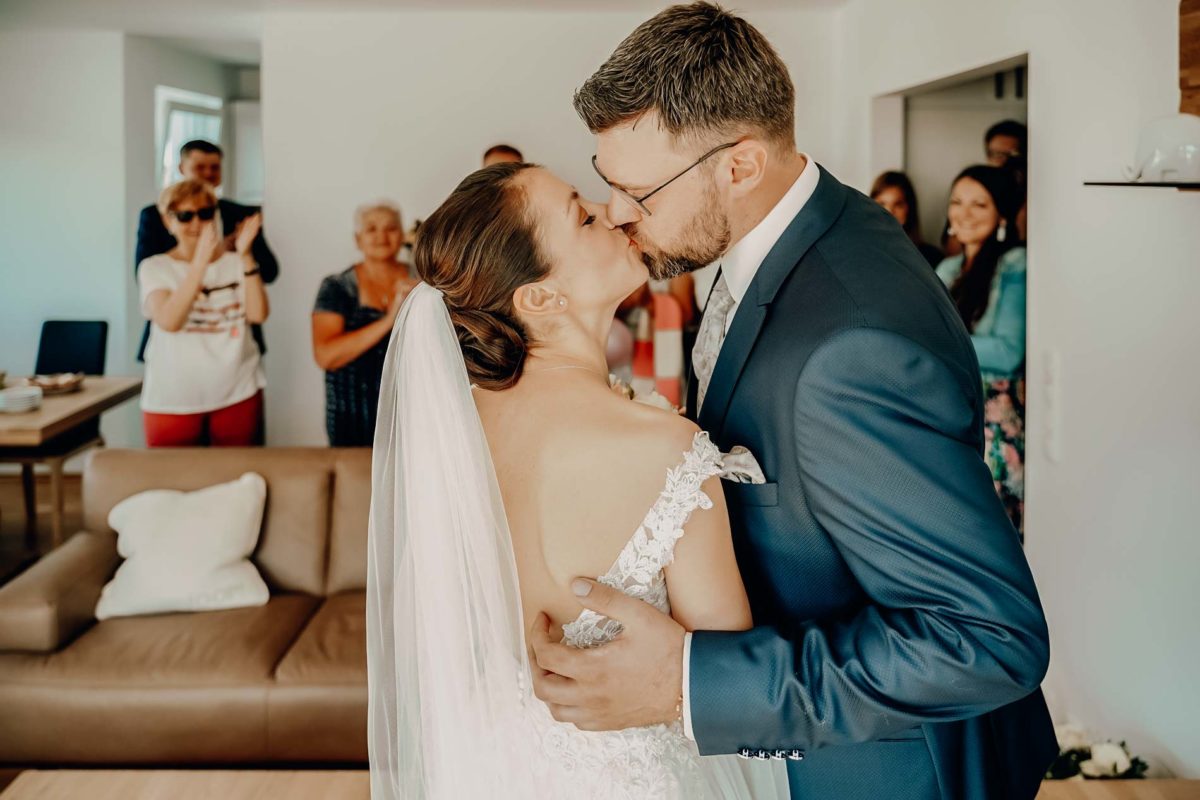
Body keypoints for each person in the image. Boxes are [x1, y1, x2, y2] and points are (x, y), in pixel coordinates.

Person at [524, 4, 1055, 800]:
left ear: (739, 166)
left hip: (885, 774)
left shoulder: (851, 346)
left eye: (641, 190)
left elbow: (986, 637)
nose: (620, 214)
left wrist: (687, 682)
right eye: (609, 185)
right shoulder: (787, 232)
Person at [367, 163, 788, 798]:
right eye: (584, 215)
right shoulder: (666, 447)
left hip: (497, 769)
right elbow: (729, 685)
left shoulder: (454, 443)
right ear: (538, 297)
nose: (616, 211)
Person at [138, 179, 268, 446]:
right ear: (167, 221)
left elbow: (258, 314)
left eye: (205, 213)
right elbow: (169, 321)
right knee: (173, 482)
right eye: (185, 216)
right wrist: (198, 266)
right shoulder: (154, 267)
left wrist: (245, 256)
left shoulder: (236, 263)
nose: (196, 223)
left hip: (238, 391)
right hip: (172, 399)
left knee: (236, 481)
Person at [936, 165, 1027, 534]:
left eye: (979, 205)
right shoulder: (948, 267)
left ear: (1001, 212)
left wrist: (938, 345)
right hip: (950, 417)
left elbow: (1008, 352)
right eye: (957, 202)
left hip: (996, 428)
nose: (964, 213)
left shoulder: (1014, 265)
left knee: (990, 538)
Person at [135, 140, 278, 362]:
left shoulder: (242, 214)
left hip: (235, 349)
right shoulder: (156, 216)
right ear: (182, 169)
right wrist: (202, 255)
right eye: (200, 167)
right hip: (177, 349)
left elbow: (270, 272)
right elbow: (146, 273)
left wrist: (239, 253)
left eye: (214, 168)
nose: (208, 174)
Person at [312, 202, 418, 446]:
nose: (381, 236)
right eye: (371, 229)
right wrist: (389, 320)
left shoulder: (423, 279)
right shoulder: (337, 286)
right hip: (351, 416)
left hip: (410, 413)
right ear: (357, 239)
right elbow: (326, 356)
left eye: (391, 228)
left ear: (401, 236)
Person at [870, 170, 942, 267]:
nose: (889, 212)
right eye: (881, 204)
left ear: (909, 208)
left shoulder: (933, 257)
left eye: (898, 204)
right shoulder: (858, 252)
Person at [984, 120, 1028, 242]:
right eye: (997, 154)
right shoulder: (975, 190)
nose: (1004, 162)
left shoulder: (1032, 195)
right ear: (987, 157)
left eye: (1012, 156)